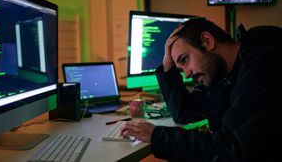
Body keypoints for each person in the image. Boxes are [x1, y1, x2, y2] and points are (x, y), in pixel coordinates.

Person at [121, 17, 282, 161]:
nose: (187, 73)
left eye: (184, 60)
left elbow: (231, 149)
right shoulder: (222, 76)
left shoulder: (264, 61)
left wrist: (156, 135)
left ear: (207, 40)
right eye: (180, 69)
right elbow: (184, 112)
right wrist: (167, 65)